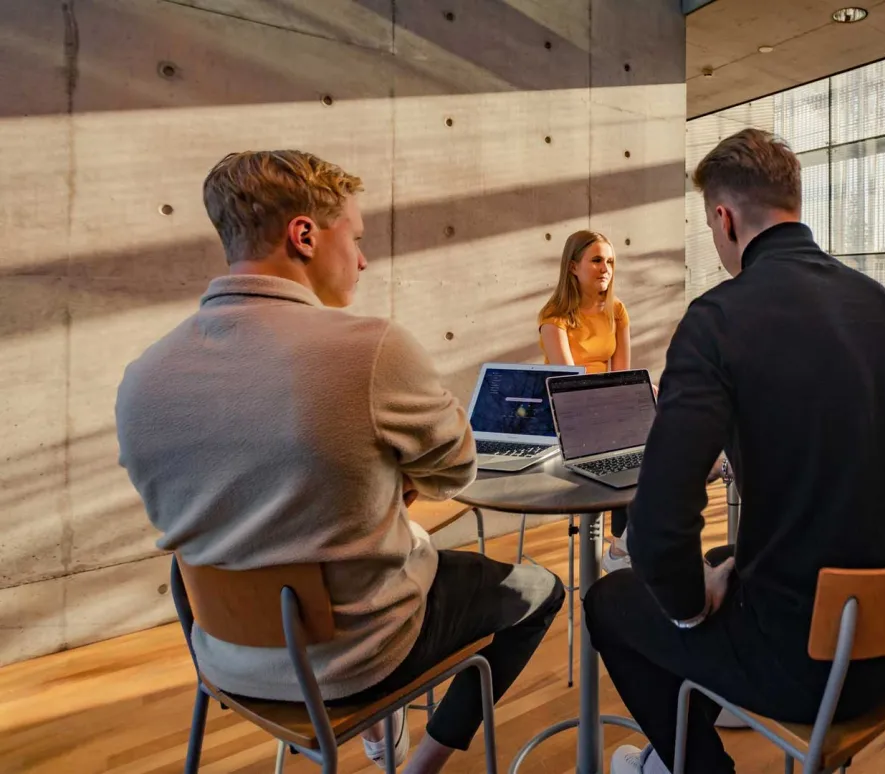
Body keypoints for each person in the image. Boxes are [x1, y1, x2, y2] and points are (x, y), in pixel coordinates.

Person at [115, 151, 563, 774]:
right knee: (541, 589)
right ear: (304, 235)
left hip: (219, 653)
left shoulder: (142, 378)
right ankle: (420, 766)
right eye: (354, 237)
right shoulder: (369, 350)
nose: (361, 258)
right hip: (351, 658)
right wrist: (393, 476)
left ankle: (384, 735)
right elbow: (456, 470)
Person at [582, 129, 885, 774]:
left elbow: (660, 523)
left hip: (810, 663)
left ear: (723, 218)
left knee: (612, 602)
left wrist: (691, 609)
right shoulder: (884, 306)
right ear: (794, 203)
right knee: (724, 557)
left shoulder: (718, 318)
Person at [536, 230, 640, 572]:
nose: (605, 268)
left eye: (610, 261)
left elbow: (622, 377)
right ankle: (624, 548)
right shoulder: (554, 318)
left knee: (652, 434)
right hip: (570, 416)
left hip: (607, 410)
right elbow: (570, 388)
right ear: (573, 267)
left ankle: (625, 545)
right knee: (632, 443)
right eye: (596, 260)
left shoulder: (618, 311)